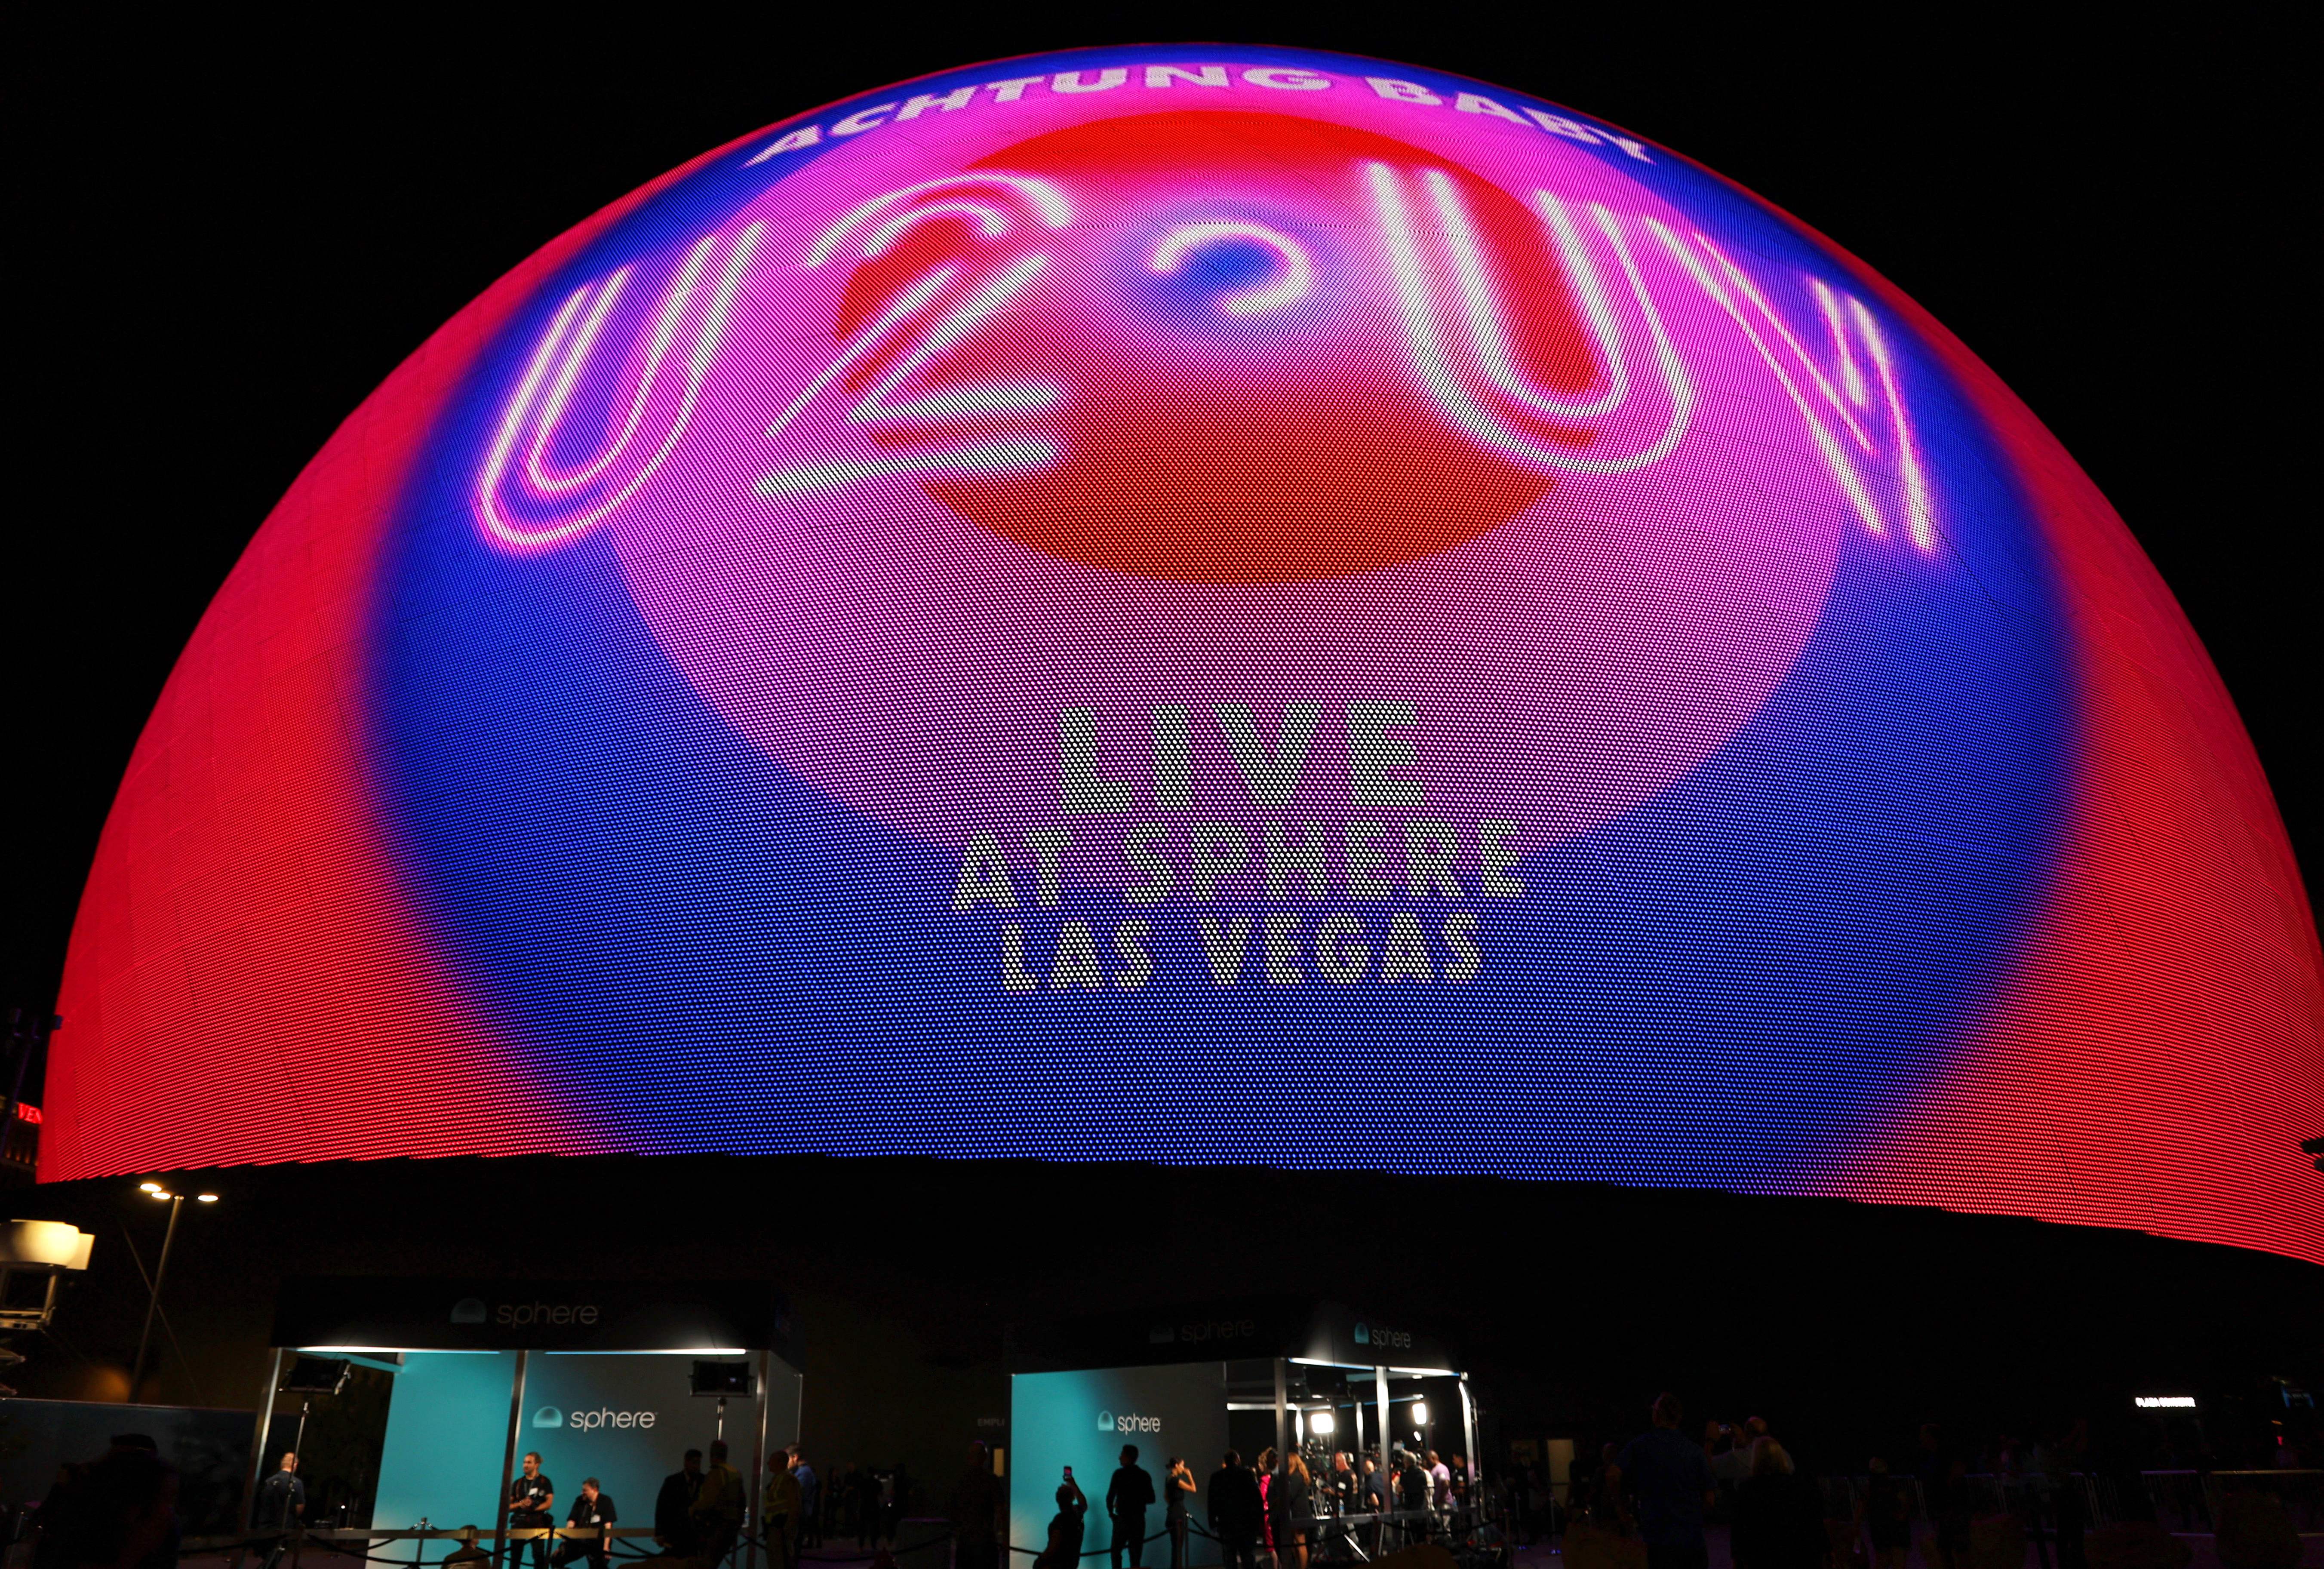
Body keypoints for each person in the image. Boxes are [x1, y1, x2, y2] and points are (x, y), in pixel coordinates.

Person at [1611, 1394, 1716, 1569]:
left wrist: (1621, 1509)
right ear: (1679, 1418)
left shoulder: (1640, 1446)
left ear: (1656, 1415)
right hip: (1692, 1541)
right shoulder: (1694, 1451)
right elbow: (1710, 1499)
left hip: (1658, 1540)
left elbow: (1613, 1474)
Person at [950, 1442, 1004, 1569]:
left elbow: (954, 1510)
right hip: (985, 1541)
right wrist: (1003, 1537)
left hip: (966, 1541)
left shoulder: (962, 1481)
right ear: (985, 1457)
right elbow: (1000, 1510)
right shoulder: (991, 1480)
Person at [692, 1440, 744, 1569]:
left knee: (706, 1563)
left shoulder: (716, 1473)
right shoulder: (734, 1473)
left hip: (716, 1525)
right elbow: (742, 1501)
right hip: (731, 1525)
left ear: (712, 1455)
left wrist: (694, 1509)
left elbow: (709, 1501)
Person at [1208, 1450, 1263, 1569]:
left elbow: (1212, 1502)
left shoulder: (1217, 1477)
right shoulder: (1247, 1474)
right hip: (1246, 1525)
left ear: (1226, 1462)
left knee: (1229, 1559)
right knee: (1248, 1558)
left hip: (1226, 1525)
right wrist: (1260, 1521)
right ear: (1237, 1460)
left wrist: (1213, 1523)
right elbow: (1257, 1499)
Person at [1108, 1445, 1157, 1569]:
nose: (1120, 1457)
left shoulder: (1118, 1475)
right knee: (1135, 1556)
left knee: (1115, 1552)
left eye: (1122, 1454)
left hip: (1123, 1520)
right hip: (1138, 1521)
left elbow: (1110, 1497)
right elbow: (1152, 1499)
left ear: (1128, 1457)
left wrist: (1112, 1514)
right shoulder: (1144, 1475)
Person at [254, 1452, 306, 1569]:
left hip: (264, 1527)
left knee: (268, 1559)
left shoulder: (269, 1481)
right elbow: (300, 1508)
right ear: (295, 1465)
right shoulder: (296, 1483)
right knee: (272, 1562)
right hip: (283, 1528)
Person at [553, 1479, 618, 1569]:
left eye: (585, 1490)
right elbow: (571, 1523)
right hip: (579, 1541)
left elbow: (608, 1526)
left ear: (594, 1490)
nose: (582, 1492)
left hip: (598, 1542)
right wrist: (563, 1546)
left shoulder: (606, 1501)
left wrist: (606, 1548)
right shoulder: (579, 1501)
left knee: (598, 1566)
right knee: (556, 1559)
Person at [509, 1453, 557, 1569]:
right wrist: (521, 1504)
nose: (525, 1465)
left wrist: (534, 1508)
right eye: (524, 1462)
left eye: (529, 1462)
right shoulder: (518, 1483)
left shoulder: (545, 1482)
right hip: (519, 1522)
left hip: (537, 1522)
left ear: (537, 1464)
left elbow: (549, 1503)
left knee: (539, 1555)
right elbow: (508, 1507)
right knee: (515, 1556)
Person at [1863, 1459, 1911, 1569]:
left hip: (1881, 1528)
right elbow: (1904, 1506)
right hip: (1896, 1528)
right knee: (1896, 1561)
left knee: (1883, 1561)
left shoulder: (1870, 1490)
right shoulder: (1895, 1486)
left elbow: (1861, 1508)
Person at [656, 1450, 704, 1556]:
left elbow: (661, 1509)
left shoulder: (673, 1482)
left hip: (691, 1538)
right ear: (686, 1462)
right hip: (678, 1536)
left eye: (698, 1463)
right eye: (695, 1463)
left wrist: (660, 1534)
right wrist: (660, 1533)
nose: (697, 1466)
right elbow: (662, 1509)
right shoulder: (672, 1482)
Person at [1036, 1473, 1090, 1569]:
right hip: (1071, 1565)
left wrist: (1040, 1560)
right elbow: (1084, 1504)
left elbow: (1054, 1546)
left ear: (1057, 1499)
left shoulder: (1060, 1520)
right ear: (1073, 1498)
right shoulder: (1078, 1515)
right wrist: (1073, 1484)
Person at [1271, 1452, 1313, 1569]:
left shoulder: (1296, 1477)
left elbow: (1290, 1495)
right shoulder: (1297, 1476)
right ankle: (1299, 1566)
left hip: (1299, 1515)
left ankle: (1302, 1567)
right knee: (1297, 1543)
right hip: (1297, 1514)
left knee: (1300, 1542)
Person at [765, 1449, 805, 1569]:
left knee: (782, 1563)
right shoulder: (777, 1480)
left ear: (780, 1463)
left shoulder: (788, 1480)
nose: (768, 1464)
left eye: (771, 1461)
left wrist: (788, 1529)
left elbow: (795, 1507)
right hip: (774, 1529)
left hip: (781, 1531)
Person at [1165, 1458, 1198, 1569]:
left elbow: (1166, 1496)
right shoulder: (1175, 1480)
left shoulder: (1168, 1478)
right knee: (1178, 1548)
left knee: (1176, 1548)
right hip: (1178, 1515)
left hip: (1172, 1513)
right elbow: (1193, 1489)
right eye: (1183, 1465)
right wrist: (1189, 1476)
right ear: (1177, 1465)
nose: (1184, 1468)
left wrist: (1172, 1505)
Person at [793, 1447, 822, 1549]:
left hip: (803, 1510)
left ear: (795, 1457)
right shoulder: (804, 1473)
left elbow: (799, 1493)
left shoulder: (804, 1473)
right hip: (807, 1509)